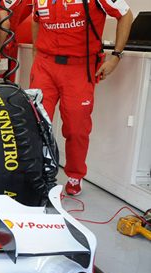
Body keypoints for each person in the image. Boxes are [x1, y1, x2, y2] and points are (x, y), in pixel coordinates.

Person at [29, 0, 133, 195]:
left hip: (79, 67)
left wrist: (116, 57)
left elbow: (126, 14)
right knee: (36, 122)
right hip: (45, 65)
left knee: (76, 127)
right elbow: (36, 20)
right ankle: (39, 174)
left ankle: (75, 176)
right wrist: (36, 51)